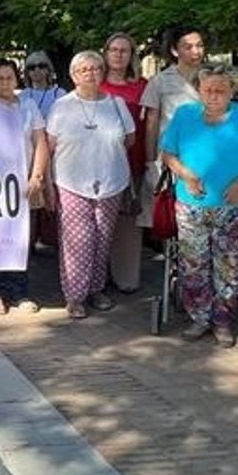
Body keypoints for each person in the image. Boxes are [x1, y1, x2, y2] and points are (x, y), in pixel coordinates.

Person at [158, 63, 238, 347]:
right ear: (199, 90)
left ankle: (223, 321)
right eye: (207, 90)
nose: (212, 95)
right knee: (193, 264)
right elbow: (168, 153)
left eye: (220, 91)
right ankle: (199, 318)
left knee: (230, 266)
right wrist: (186, 175)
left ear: (232, 90)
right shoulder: (185, 115)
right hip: (192, 204)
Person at [45, 50, 137, 319]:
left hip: (111, 182)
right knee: (78, 241)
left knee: (102, 239)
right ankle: (75, 296)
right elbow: (49, 146)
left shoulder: (116, 104)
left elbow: (129, 140)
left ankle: (96, 290)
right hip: (71, 182)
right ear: (74, 76)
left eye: (96, 68)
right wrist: (47, 184)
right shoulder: (62, 106)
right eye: (83, 70)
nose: (90, 73)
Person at [0, 57, 50, 314]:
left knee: (21, 240)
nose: (5, 82)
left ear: (16, 79)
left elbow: (40, 142)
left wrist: (37, 176)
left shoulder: (28, 106)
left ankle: (20, 292)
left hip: (23, 185)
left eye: (9, 77)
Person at [101, 32, 149, 292]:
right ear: (106, 53)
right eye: (114, 49)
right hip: (100, 164)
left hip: (134, 158)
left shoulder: (142, 86)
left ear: (132, 56)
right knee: (101, 220)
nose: (118, 55)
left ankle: (125, 276)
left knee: (128, 220)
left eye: (124, 50)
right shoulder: (95, 84)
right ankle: (99, 274)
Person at [140, 27, 207, 176]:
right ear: (175, 51)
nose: (196, 51)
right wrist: (151, 163)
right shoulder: (159, 82)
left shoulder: (214, 79)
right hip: (172, 158)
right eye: (188, 47)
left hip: (208, 153)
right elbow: (151, 124)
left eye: (200, 45)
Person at [21, 51, 63, 254]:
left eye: (41, 66)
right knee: (32, 195)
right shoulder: (22, 97)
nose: (37, 71)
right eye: (31, 67)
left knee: (54, 194)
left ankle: (54, 239)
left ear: (48, 69)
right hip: (31, 151)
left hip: (56, 151)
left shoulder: (60, 94)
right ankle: (30, 242)